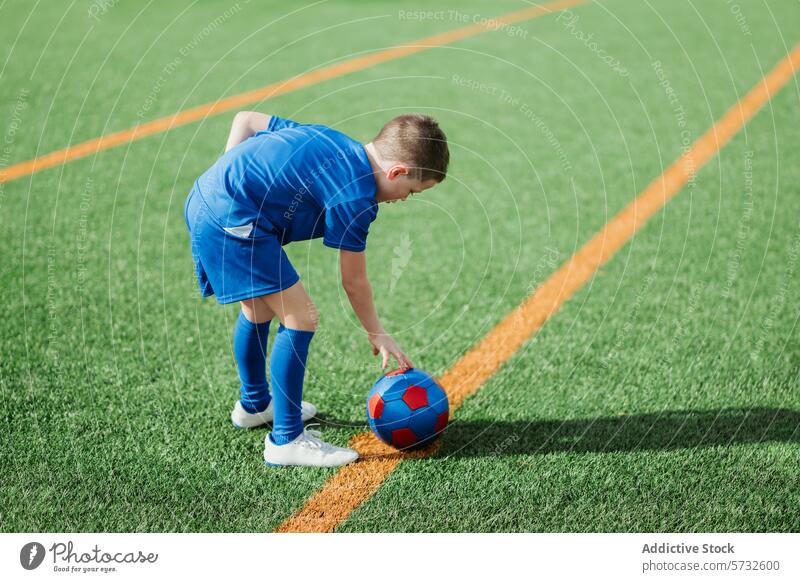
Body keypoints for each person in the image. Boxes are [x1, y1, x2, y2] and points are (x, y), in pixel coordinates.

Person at [184, 112, 449, 467]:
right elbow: (353, 281)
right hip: (234, 220)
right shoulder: (355, 197)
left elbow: (245, 120)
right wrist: (377, 332)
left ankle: (255, 405)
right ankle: (286, 440)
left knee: (259, 309)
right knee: (302, 318)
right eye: (412, 191)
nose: (405, 199)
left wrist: (226, 176)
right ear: (397, 172)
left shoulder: (333, 140)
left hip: (206, 198)